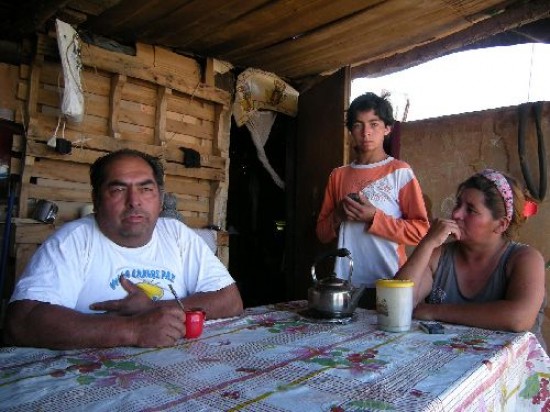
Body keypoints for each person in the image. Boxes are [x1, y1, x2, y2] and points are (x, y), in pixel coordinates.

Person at [4, 149, 243, 349]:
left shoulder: (177, 235)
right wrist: (133, 329)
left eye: (145, 189)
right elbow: (21, 322)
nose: (134, 201)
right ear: (96, 200)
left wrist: (154, 308)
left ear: (160, 199)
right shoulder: (72, 241)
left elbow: (230, 300)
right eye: (118, 189)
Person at [394, 169, 546, 345]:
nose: (456, 214)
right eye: (458, 204)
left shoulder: (524, 259)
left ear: (501, 225)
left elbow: (518, 318)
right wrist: (427, 243)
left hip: (514, 367)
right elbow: (398, 305)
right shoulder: (438, 255)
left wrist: (435, 311)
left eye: (471, 210)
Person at [316, 92, 429, 306]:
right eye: (358, 125)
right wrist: (338, 214)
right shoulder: (338, 176)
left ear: (387, 128)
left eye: (374, 124)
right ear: (351, 130)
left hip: (390, 282)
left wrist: (374, 218)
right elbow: (322, 233)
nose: (366, 133)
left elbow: (420, 232)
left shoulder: (400, 172)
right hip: (345, 283)